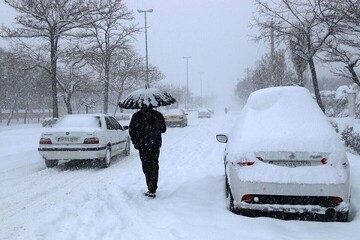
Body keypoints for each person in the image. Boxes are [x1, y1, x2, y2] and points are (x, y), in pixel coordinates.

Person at [129, 106, 166, 198]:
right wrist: (154, 127)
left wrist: (136, 142)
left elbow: (131, 131)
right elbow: (163, 129)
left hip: (143, 145)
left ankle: (150, 185)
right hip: (154, 145)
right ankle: (152, 188)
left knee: (146, 165)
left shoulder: (136, 116)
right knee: (154, 165)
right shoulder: (158, 115)